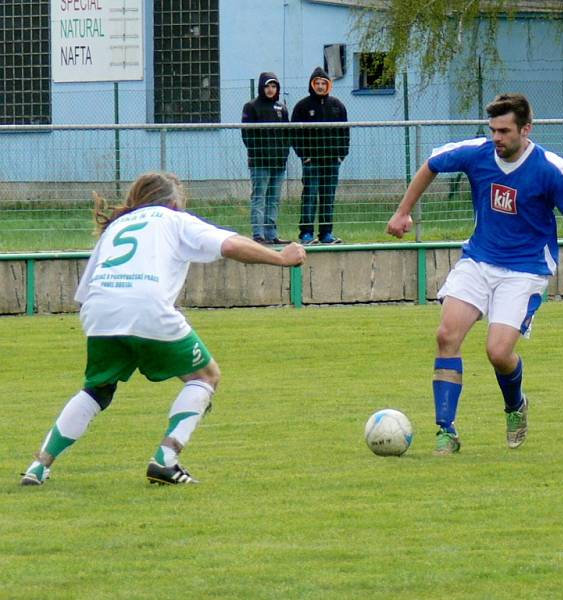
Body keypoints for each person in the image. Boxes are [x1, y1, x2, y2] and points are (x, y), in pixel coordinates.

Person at [20, 172, 306, 486]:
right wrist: (280, 258)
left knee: (97, 389)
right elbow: (231, 244)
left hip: (99, 310)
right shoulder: (174, 219)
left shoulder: (117, 226)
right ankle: (165, 460)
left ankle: (39, 465)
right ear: (172, 202)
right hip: (146, 305)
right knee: (205, 375)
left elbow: (86, 290)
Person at [386, 93, 563, 455]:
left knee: (498, 352)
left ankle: (515, 406)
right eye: (493, 130)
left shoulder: (549, 168)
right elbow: (431, 164)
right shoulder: (477, 153)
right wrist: (403, 211)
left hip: (525, 269)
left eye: (505, 131)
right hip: (479, 260)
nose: (497, 138)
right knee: (446, 334)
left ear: (526, 129)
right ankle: (445, 431)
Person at [291, 66, 349, 245]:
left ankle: (326, 234)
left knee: (328, 197)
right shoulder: (302, 106)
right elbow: (294, 134)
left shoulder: (337, 106)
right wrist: (304, 155)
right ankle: (306, 234)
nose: (321, 86)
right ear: (312, 84)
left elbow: (345, 132)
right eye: (317, 83)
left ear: (329, 85)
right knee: (310, 196)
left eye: (324, 83)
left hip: (332, 161)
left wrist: (341, 155)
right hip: (311, 162)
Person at [241, 71, 291, 245]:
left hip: (278, 163)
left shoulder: (281, 108)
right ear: (262, 87)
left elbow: (287, 135)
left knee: (274, 199)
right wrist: (258, 153)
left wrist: (283, 155)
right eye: (267, 86)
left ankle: (271, 234)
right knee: (259, 197)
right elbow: (247, 135)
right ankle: (258, 235)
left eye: (273, 86)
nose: (270, 89)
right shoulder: (251, 107)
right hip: (260, 162)